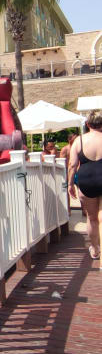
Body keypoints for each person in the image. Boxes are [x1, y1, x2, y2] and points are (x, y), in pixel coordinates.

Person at [68, 111, 102, 264]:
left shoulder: (79, 141)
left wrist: (70, 184)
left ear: (88, 124)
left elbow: (72, 165)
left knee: (92, 217)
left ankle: (94, 249)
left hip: (86, 181)